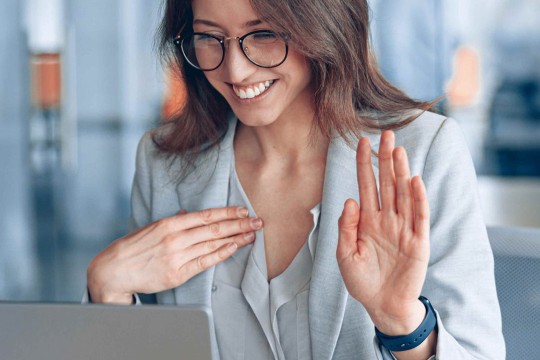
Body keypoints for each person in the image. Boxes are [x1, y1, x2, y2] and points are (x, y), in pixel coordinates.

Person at [85, 0, 505, 358]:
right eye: (210, 37)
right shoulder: (165, 163)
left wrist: (403, 323)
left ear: (322, 24)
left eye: (264, 33)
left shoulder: (424, 153)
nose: (235, 69)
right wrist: (108, 294)